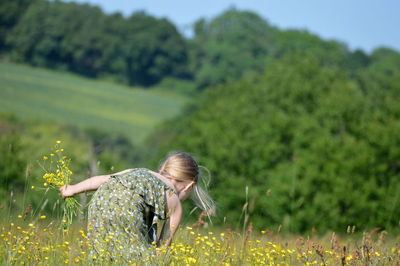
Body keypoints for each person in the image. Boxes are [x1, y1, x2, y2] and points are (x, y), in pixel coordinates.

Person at [59, 151, 215, 263]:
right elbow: (162, 248)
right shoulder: (174, 200)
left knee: (103, 255)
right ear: (189, 186)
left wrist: (73, 188)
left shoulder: (139, 172)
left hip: (101, 199)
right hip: (129, 207)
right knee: (140, 259)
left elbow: (102, 180)